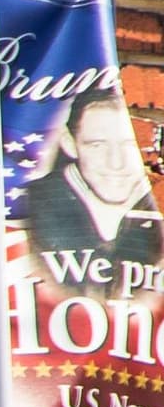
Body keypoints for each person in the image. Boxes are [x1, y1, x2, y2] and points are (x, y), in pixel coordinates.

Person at [21, 69, 164, 284]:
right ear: (70, 143)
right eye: (97, 145)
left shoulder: (152, 203)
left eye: (129, 146)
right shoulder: (26, 206)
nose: (116, 163)